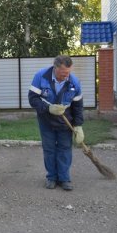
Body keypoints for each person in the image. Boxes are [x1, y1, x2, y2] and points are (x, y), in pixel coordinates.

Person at [28, 55, 84, 191]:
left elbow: (77, 106)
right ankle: (51, 177)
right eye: (62, 74)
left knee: (65, 149)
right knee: (49, 149)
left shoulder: (74, 82)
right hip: (46, 120)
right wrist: (48, 108)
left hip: (65, 122)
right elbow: (33, 99)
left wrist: (78, 125)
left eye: (68, 73)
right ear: (55, 68)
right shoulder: (41, 77)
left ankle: (64, 178)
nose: (66, 77)